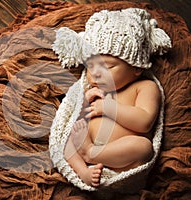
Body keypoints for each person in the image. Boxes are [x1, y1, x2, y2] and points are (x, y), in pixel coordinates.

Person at [52, 8, 172, 188]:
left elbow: (144, 121)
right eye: (91, 67)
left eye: (107, 67)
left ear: (136, 68)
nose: (96, 75)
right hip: (85, 145)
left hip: (121, 160)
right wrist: (83, 103)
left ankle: (91, 153)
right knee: (68, 140)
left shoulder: (145, 87)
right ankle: (83, 171)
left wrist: (109, 108)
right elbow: (74, 116)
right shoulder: (93, 90)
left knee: (144, 147)